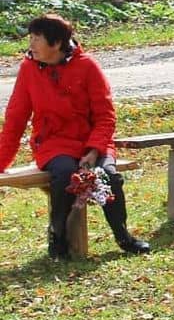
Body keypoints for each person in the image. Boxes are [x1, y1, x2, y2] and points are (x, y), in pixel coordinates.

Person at [0, 15, 150, 258]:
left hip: (92, 142)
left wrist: (93, 151)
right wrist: (1, 162)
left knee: (109, 176)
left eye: (37, 38)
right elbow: (16, 118)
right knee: (63, 175)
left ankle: (123, 236)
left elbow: (105, 116)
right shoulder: (29, 69)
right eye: (31, 38)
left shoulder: (87, 66)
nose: (31, 44)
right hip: (53, 142)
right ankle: (57, 237)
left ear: (56, 43)